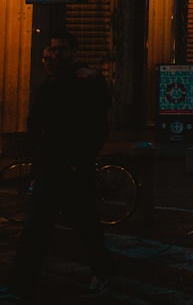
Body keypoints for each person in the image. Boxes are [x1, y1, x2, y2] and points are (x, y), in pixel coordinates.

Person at [3, 29, 114, 300]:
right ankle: (22, 283)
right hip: (51, 169)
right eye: (52, 50)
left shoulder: (85, 81)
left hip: (73, 170)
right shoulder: (50, 84)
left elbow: (96, 126)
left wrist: (79, 162)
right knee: (36, 229)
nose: (56, 55)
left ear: (72, 52)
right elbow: (37, 125)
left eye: (61, 49)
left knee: (85, 227)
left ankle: (103, 273)